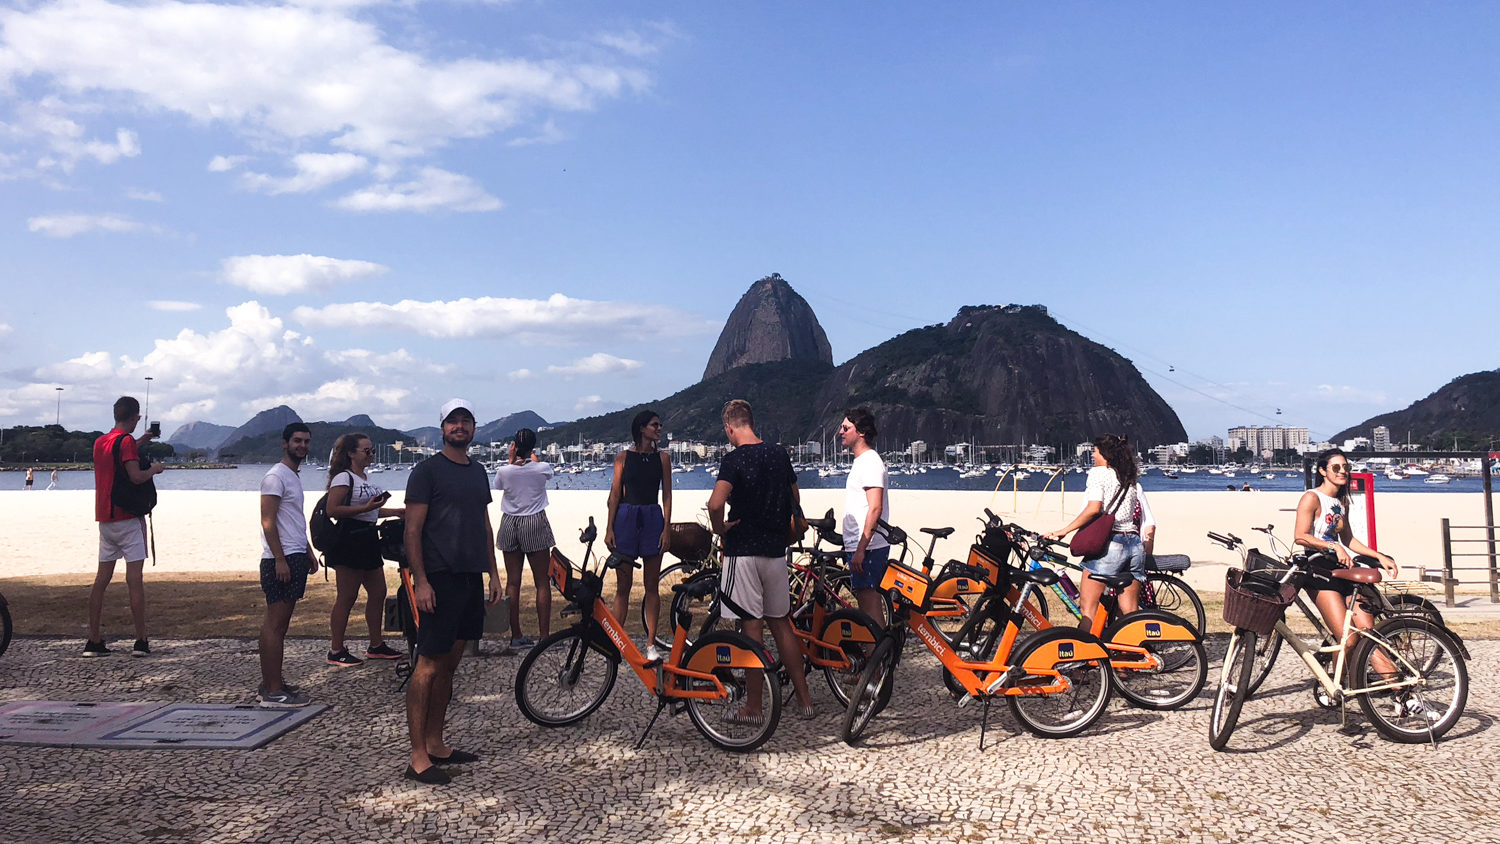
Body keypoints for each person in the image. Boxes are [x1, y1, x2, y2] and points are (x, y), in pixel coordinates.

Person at [403, 399, 502, 785]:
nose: (459, 426)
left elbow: (484, 525)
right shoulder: (426, 471)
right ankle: (416, 757)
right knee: (427, 666)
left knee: (449, 666)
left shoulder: (478, 471)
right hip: (438, 578)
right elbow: (413, 531)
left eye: (466, 421)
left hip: (469, 578)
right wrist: (421, 580)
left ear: (474, 428)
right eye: (452, 421)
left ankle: (436, 742)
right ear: (442, 428)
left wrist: (493, 574)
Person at [707, 399, 815, 719]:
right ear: (751, 423)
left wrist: (720, 529)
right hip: (775, 551)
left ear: (730, 428)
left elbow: (715, 504)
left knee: (751, 628)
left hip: (743, 553)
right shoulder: (779, 454)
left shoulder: (734, 459)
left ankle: (753, 707)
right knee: (781, 624)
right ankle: (805, 700)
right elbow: (795, 499)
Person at [1045, 433, 1156, 626]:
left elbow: (1094, 508)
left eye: (1095, 452)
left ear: (1105, 454)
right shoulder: (1128, 477)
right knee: (1129, 611)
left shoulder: (1099, 474)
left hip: (1111, 547)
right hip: (1134, 545)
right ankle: (1134, 653)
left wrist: (1064, 530)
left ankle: (1088, 655)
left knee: (1088, 610)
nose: (1092, 456)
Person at [1293, 448, 1399, 648]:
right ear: (1323, 471)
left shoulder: (1341, 503)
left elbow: (1348, 539)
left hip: (1342, 569)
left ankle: (1389, 678)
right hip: (1319, 571)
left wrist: (1380, 557)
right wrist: (1333, 546)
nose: (1342, 471)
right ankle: (1340, 679)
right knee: (1347, 639)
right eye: (1336, 467)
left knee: (1369, 635)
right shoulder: (1312, 498)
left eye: (1345, 467)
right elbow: (1300, 536)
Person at [85, 396, 166, 657]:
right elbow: (136, 476)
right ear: (135, 417)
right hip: (127, 518)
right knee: (134, 581)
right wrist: (154, 469)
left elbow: (119, 453)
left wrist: (142, 439)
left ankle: (93, 639)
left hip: (105, 518)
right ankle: (141, 640)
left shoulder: (101, 441)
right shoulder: (127, 442)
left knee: (101, 581)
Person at [324, 432, 405, 668]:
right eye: (367, 451)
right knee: (347, 596)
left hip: (368, 538)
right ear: (351, 453)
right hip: (349, 540)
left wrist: (395, 512)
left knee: (378, 592)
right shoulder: (343, 478)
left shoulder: (364, 477)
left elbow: (370, 511)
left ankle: (376, 645)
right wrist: (366, 508)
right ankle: (336, 649)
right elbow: (333, 510)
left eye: (372, 451)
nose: (371, 455)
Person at [605, 409, 673, 660]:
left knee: (651, 585)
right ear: (642, 428)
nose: (659, 428)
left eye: (660, 424)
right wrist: (609, 527)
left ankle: (651, 643)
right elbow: (614, 494)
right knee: (623, 585)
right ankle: (616, 640)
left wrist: (667, 527)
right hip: (625, 518)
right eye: (655, 425)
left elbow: (667, 494)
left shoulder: (663, 459)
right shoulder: (623, 457)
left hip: (652, 518)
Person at [258, 423, 316, 708]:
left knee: (280, 625)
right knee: (275, 625)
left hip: (294, 554)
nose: (302, 446)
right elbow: (268, 521)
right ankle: (272, 690)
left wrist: (307, 551)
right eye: (297, 441)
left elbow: (292, 518)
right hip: (280, 558)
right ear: (285, 443)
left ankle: (274, 681)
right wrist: (280, 558)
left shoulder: (292, 476)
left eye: (306, 441)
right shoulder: (275, 477)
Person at [493, 427, 555, 651]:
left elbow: (500, 485)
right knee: (541, 582)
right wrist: (532, 458)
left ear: (514, 446)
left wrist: (511, 460)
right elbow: (544, 473)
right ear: (533, 446)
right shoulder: (542, 468)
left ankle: (516, 635)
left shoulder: (504, 471)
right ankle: (545, 637)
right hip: (534, 521)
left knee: (513, 581)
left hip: (510, 522)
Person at [839, 408, 891, 625]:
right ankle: (876, 653)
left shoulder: (869, 462)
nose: (840, 431)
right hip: (861, 546)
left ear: (860, 432)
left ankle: (877, 656)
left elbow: (875, 508)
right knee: (865, 602)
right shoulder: (862, 461)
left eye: (845, 428)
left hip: (868, 548)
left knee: (870, 606)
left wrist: (861, 548)